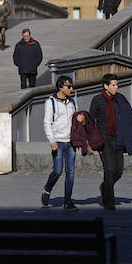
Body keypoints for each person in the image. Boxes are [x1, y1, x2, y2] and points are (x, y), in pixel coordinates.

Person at [89, 74, 132, 210]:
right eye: (113, 85)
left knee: (118, 171)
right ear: (106, 86)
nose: (116, 87)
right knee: (109, 169)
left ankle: (105, 187)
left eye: (116, 85)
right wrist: (93, 141)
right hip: (104, 140)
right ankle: (109, 201)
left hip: (118, 139)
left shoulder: (119, 99)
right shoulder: (97, 100)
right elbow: (91, 121)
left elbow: (128, 116)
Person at [41, 76, 78, 210]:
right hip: (58, 141)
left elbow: (75, 122)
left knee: (71, 172)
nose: (71, 89)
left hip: (71, 142)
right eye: (69, 86)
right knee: (57, 170)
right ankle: (47, 189)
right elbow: (47, 123)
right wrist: (52, 140)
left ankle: (67, 201)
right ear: (61, 87)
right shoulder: (50, 102)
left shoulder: (72, 102)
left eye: (72, 86)